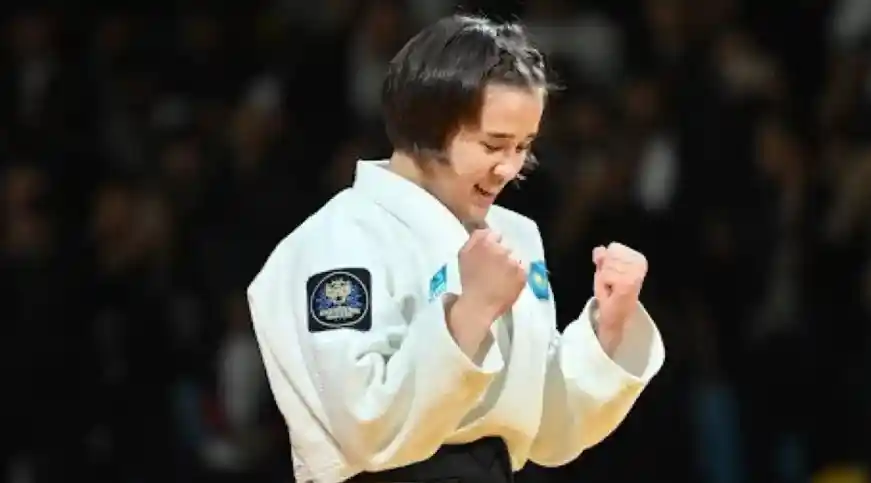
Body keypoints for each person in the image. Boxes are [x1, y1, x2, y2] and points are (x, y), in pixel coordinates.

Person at [246, 14, 666, 483]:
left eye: (523, 147)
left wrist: (608, 329)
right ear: (428, 125)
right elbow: (363, 427)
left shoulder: (514, 235)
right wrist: (468, 313)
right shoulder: (339, 238)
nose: (509, 168)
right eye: (493, 145)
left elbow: (544, 428)